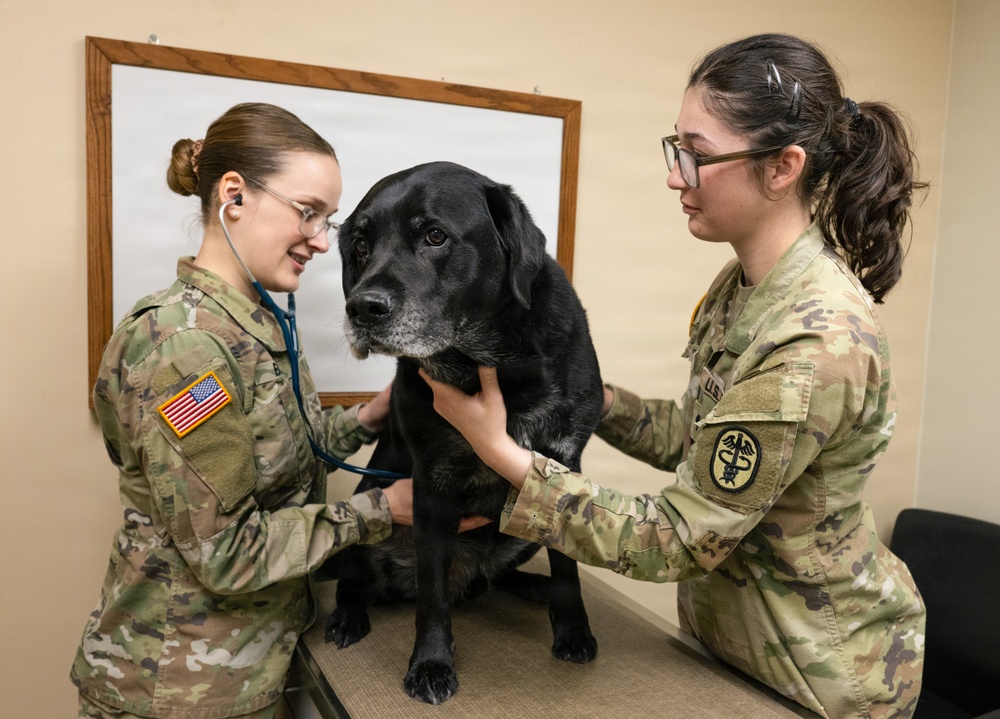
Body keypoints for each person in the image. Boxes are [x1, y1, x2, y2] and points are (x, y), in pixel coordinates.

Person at [421, 34, 927, 719]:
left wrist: (504, 454)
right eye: (676, 147)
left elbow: (676, 538)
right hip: (735, 648)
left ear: (783, 168)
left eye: (698, 153)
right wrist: (587, 400)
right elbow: (701, 435)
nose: (675, 174)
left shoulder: (816, 339)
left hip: (821, 674)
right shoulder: (745, 287)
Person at [71, 102, 484, 719]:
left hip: (252, 668)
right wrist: (381, 510)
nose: (323, 241)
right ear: (233, 196)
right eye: (308, 213)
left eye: (329, 220)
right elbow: (226, 553)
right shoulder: (182, 347)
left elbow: (287, 448)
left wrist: (372, 416)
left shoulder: (254, 325)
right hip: (177, 690)